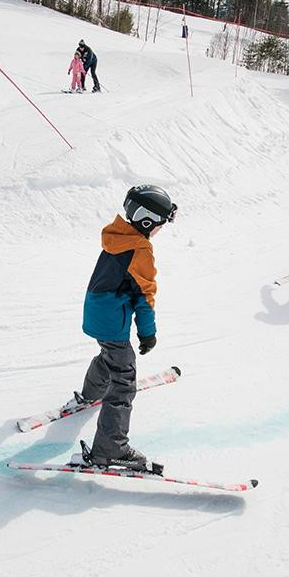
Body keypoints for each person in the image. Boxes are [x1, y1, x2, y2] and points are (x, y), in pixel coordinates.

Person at [68, 185, 177, 472]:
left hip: (95, 310)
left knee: (110, 356)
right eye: (161, 223)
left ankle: (90, 394)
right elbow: (144, 295)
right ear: (147, 220)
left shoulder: (117, 236)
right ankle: (111, 449)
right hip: (111, 318)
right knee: (124, 380)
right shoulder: (140, 249)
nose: (160, 229)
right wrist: (147, 332)